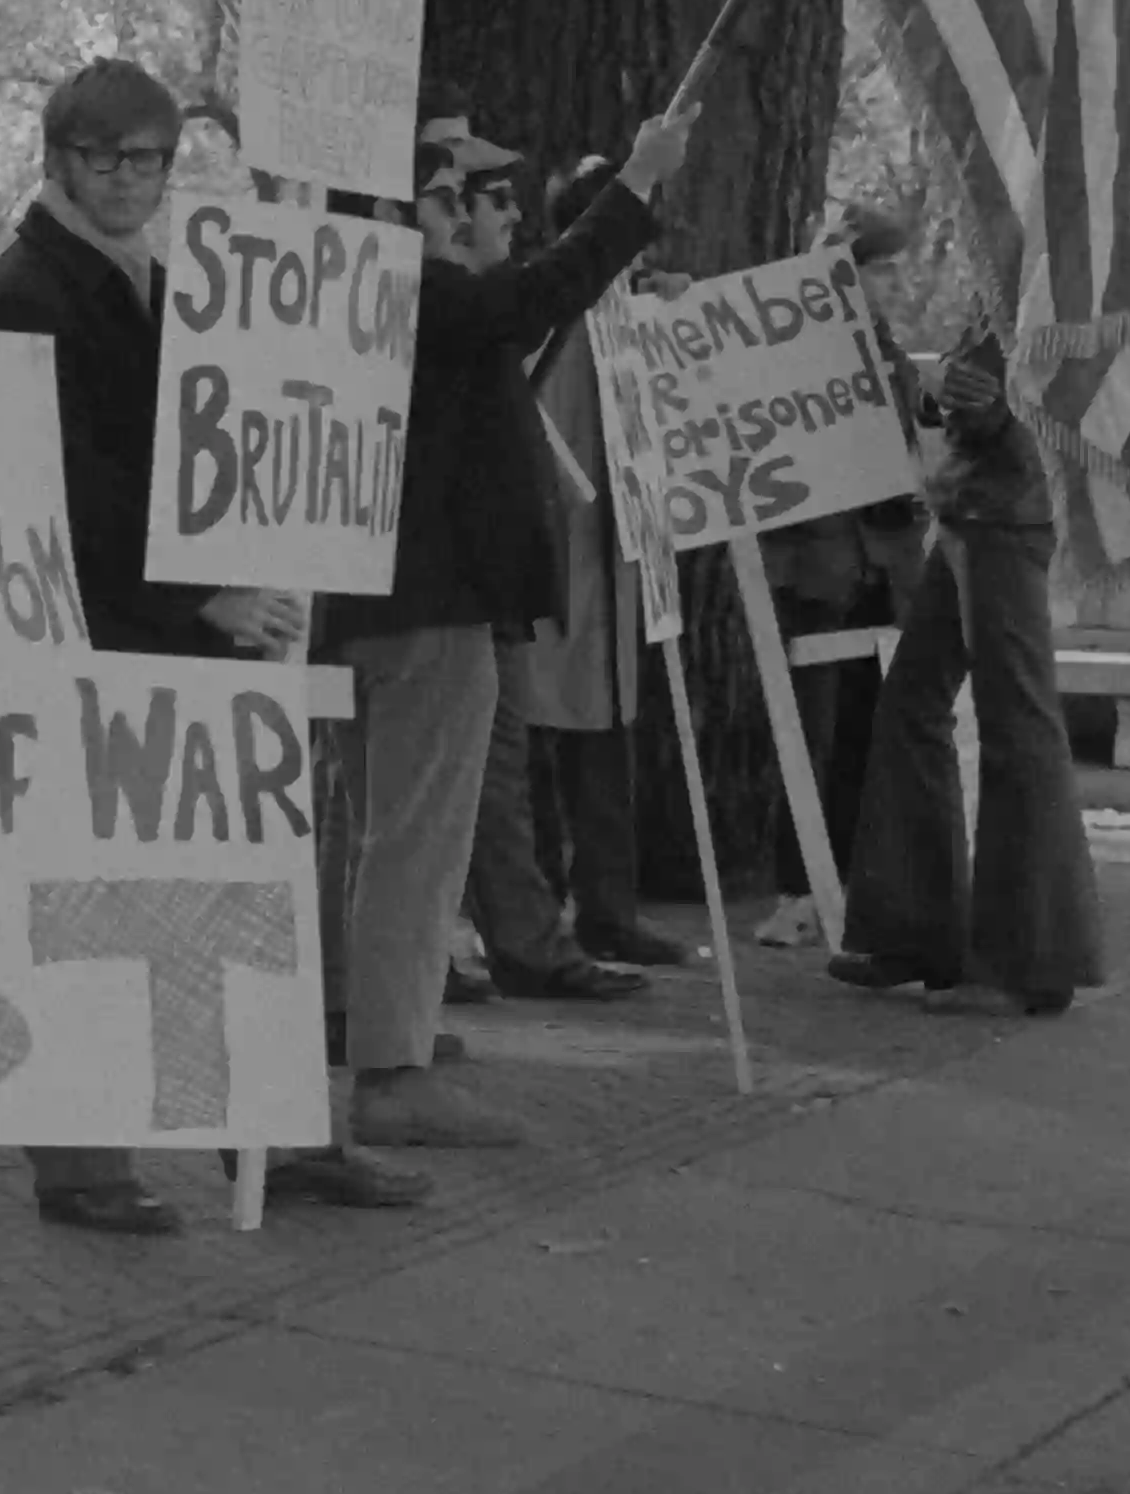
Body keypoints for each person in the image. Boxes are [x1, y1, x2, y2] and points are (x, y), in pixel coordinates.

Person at [323, 85, 707, 1153]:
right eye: (443, 190)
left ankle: (376, 1024)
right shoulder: (416, 289)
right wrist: (637, 181)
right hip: (429, 604)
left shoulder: (354, 286)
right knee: (413, 843)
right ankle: (391, 1073)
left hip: (373, 603)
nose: (463, 206)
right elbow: (533, 295)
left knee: (379, 832)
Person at [0, 58, 305, 1236]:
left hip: (156, 632)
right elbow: (60, 483)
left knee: (171, 897)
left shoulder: (154, 278)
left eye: (147, 159)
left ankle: (221, 1126)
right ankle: (81, 1159)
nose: (126, 179)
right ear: (58, 159)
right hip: (86, 638)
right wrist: (197, 598)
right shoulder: (25, 290)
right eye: (103, 157)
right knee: (87, 900)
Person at [824, 265, 1113, 1016]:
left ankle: (1037, 949)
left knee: (1017, 719)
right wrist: (950, 392)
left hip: (1007, 516)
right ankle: (915, 931)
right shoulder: (1021, 255)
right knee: (914, 704)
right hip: (974, 511)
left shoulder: (1061, 252)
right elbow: (980, 387)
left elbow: (1038, 393)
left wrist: (973, 401)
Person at [466, 151, 683, 998]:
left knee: (598, 734)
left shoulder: (630, 318)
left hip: (612, 561)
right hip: (554, 561)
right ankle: (547, 914)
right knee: (534, 744)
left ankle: (602, 903)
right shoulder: (543, 317)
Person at [748, 202, 931, 931]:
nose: (891, 284)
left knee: (866, 733)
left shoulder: (886, 354)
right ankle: (798, 890)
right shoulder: (795, 357)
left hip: (881, 567)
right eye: (878, 269)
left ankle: (855, 883)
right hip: (817, 567)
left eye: (893, 270)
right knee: (808, 737)